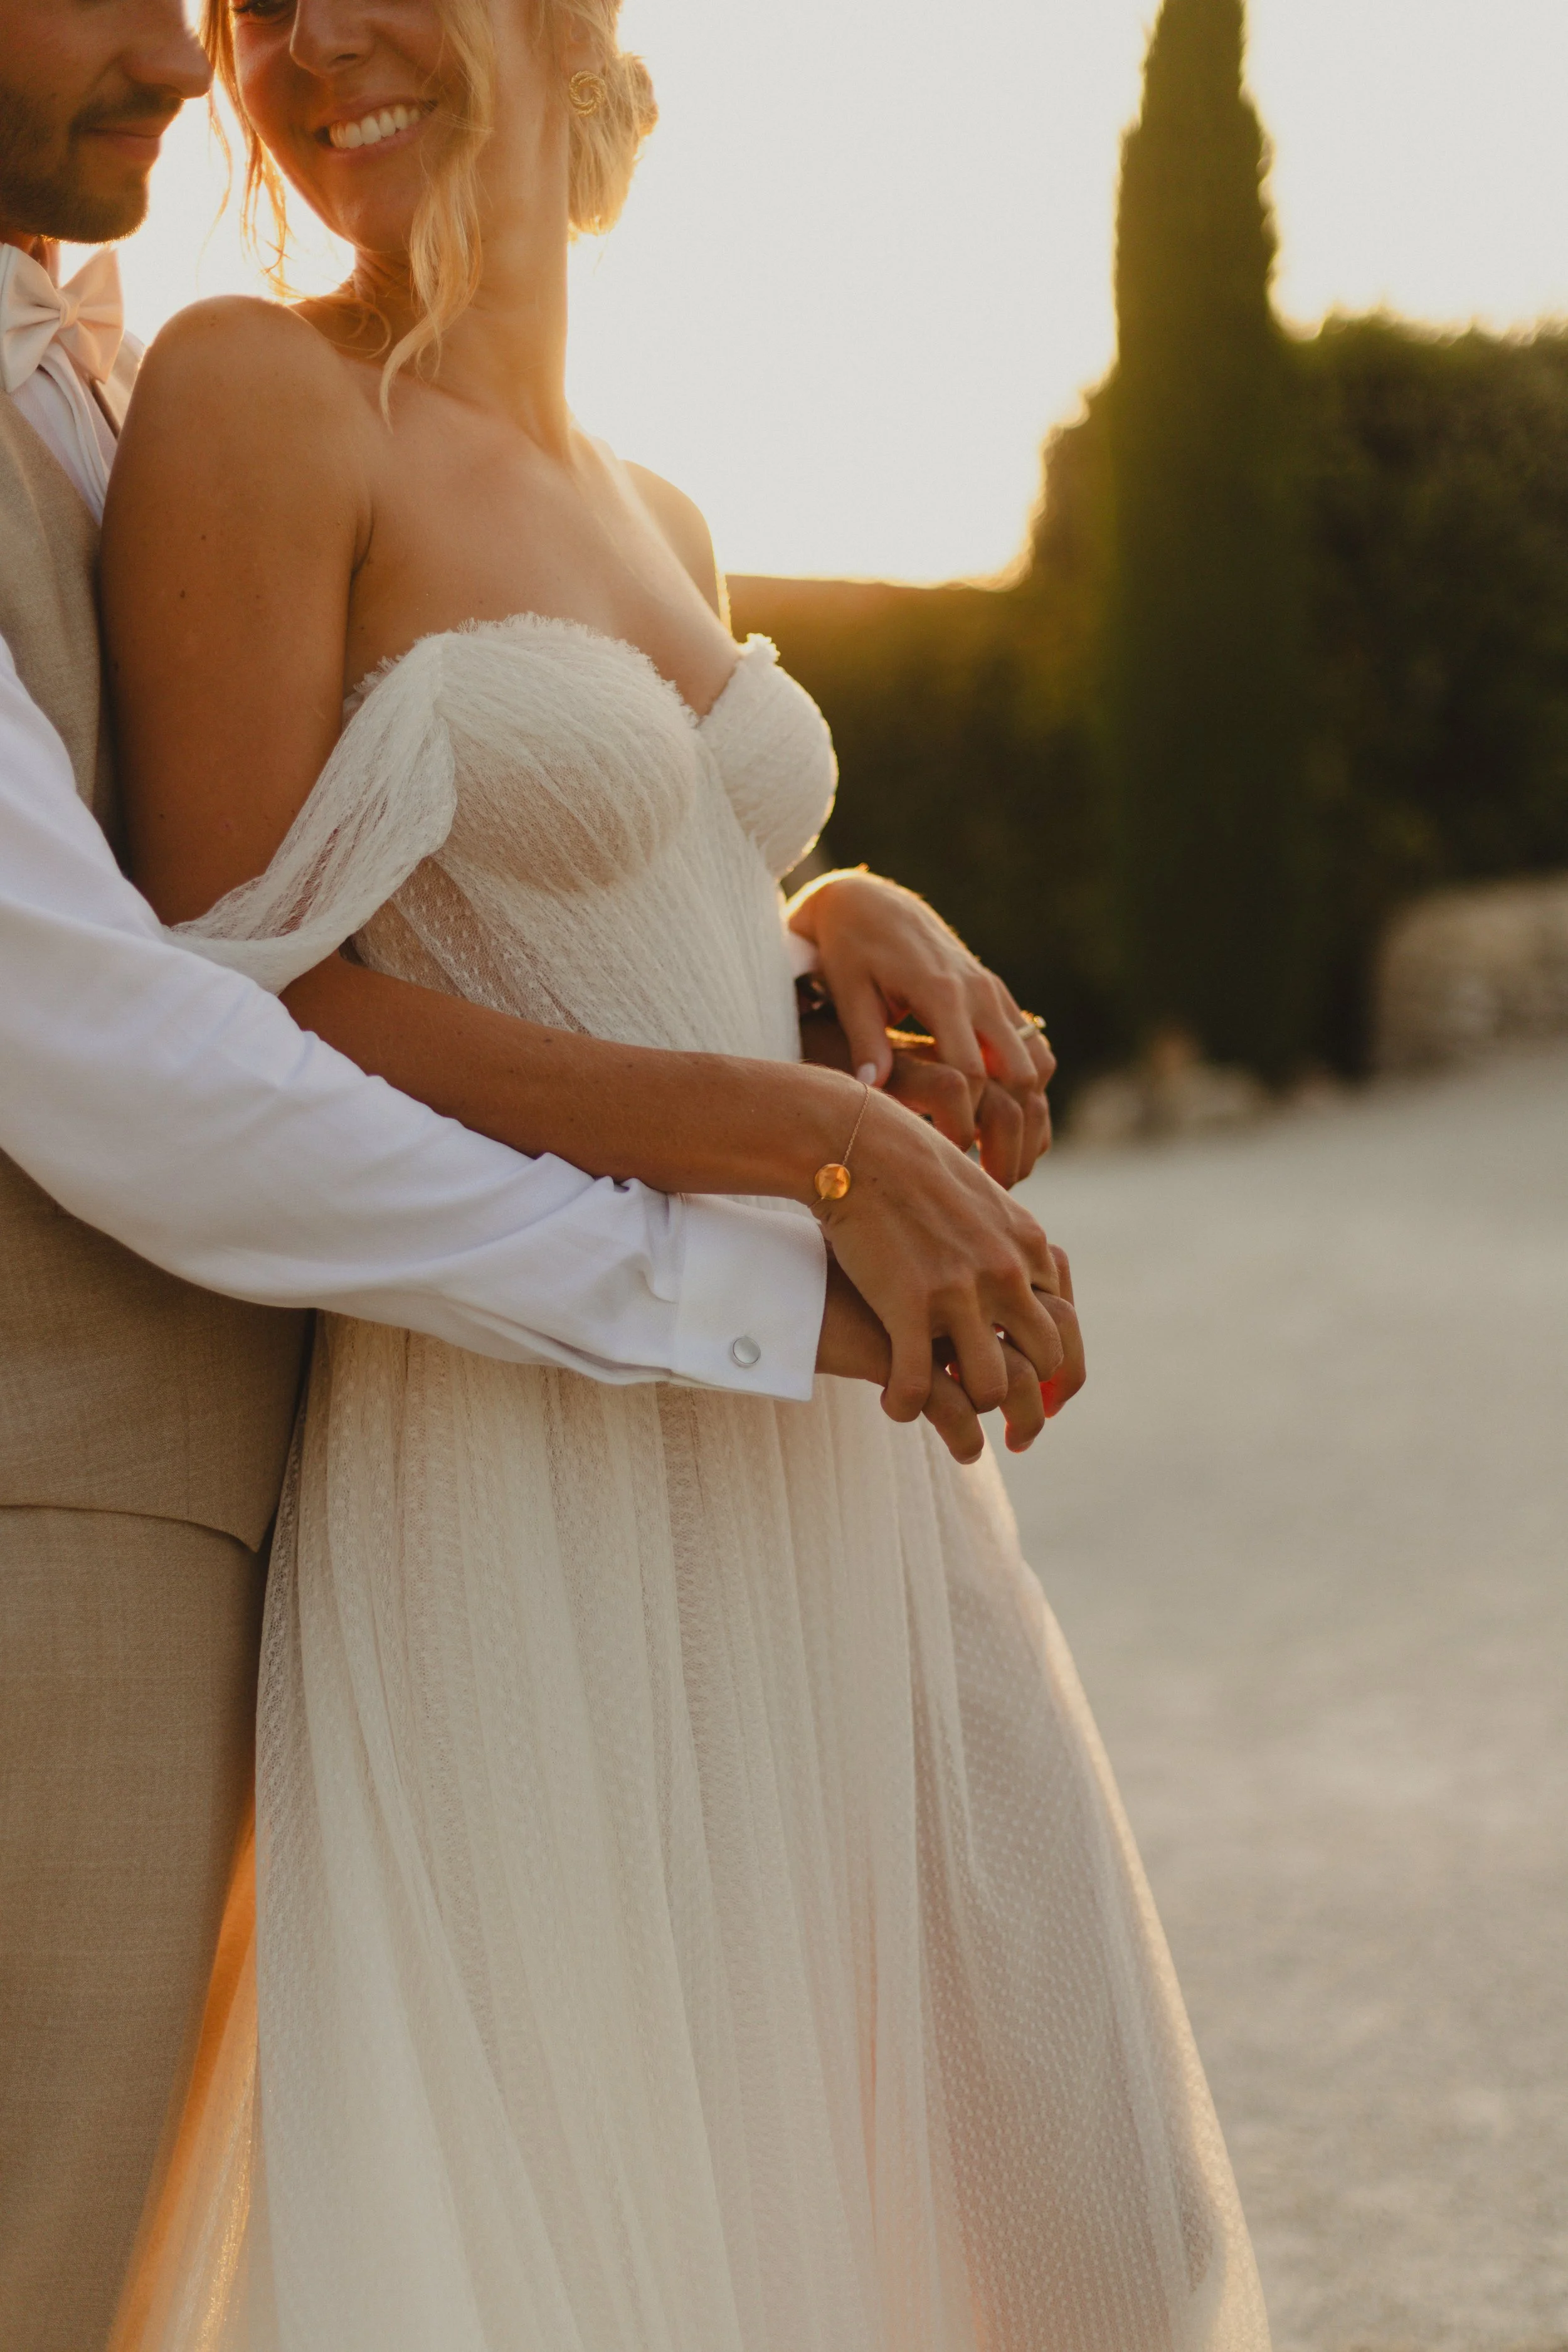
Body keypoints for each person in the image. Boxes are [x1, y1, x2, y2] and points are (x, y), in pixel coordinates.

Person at [92, 4, 1269, 2349]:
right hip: (523, 1482)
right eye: (257, 5)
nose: (307, 46)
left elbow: (612, 892)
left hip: (829, 1475)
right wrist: (819, 1141)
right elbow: (252, 1001)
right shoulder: (252, 394)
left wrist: (827, 925)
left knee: (1069, 2240)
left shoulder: (660, 505)